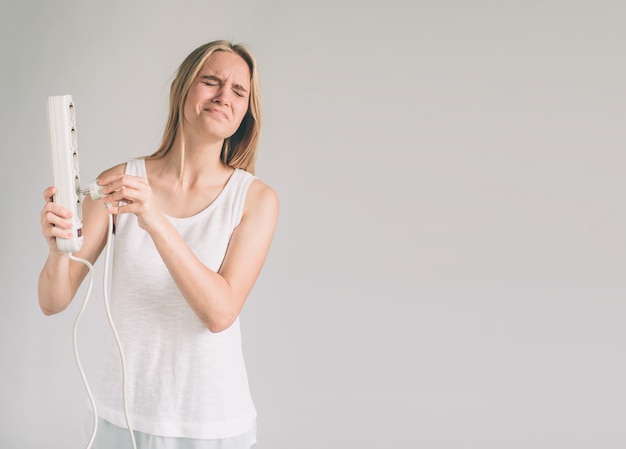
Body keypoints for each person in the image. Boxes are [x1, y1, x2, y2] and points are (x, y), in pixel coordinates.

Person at [38, 40, 279, 449]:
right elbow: (52, 301)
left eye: (239, 91)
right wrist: (54, 248)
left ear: (245, 113)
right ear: (183, 89)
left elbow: (219, 313)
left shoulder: (256, 199)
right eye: (211, 81)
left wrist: (154, 219)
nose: (224, 96)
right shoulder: (118, 181)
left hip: (212, 427)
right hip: (119, 419)